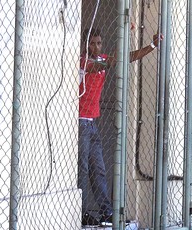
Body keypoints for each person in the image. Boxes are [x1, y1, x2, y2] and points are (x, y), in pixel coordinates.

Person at [78, 27, 163, 227]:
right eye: (92, 43)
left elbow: (128, 57)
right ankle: (79, 212)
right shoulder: (84, 61)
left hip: (92, 123)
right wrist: (116, 47)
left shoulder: (102, 59)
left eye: (99, 43)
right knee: (81, 169)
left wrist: (152, 45)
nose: (96, 47)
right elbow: (99, 64)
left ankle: (106, 212)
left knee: (98, 169)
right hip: (80, 122)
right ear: (85, 44)